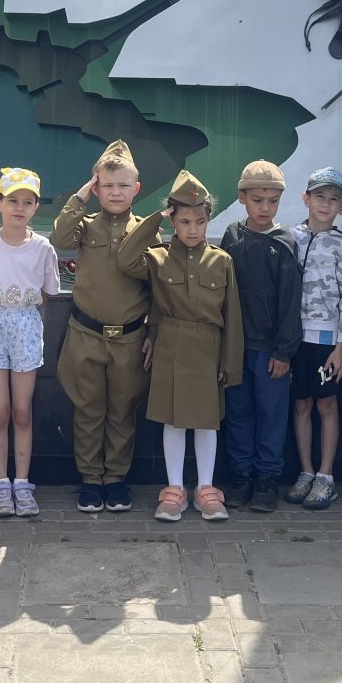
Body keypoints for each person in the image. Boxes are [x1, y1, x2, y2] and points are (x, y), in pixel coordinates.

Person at [117, 170, 244, 522]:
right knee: (172, 422)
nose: (192, 229)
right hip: (171, 346)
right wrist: (155, 219)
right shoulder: (158, 257)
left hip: (208, 347)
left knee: (206, 423)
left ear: (208, 220)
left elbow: (232, 316)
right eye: (184, 221)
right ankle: (174, 489)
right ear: (173, 220)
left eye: (200, 221)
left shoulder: (221, 260)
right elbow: (125, 259)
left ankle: (205, 488)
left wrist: (230, 363)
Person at [52, 140, 151, 514]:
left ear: (136, 189)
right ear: (96, 187)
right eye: (107, 185)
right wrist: (81, 196)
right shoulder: (86, 225)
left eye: (123, 185)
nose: (115, 192)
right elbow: (60, 237)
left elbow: (158, 287)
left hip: (129, 338)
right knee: (89, 411)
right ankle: (91, 479)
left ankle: (117, 479)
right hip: (87, 335)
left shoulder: (147, 231)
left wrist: (153, 332)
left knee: (123, 411)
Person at [0, 167, 60, 518]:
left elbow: (47, 292)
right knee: (0, 410)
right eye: (13, 201)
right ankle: (0, 484)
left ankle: (22, 483)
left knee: (22, 411)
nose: (19, 208)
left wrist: (22, 311)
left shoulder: (42, 247)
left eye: (27, 202)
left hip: (25, 325)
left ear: (36, 207)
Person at [220, 160, 303, 514]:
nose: (265, 208)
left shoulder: (284, 243)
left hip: (270, 350)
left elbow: (291, 302)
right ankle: (241, 477)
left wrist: (284, 352)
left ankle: (267, 479)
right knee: (238, 412)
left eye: (273, 201)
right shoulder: (232, 236)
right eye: (257, 200)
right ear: (242, 197)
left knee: (271, 415)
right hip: (236, 348)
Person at [287, 167, 342, 511]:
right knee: (301, 404)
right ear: (306, 199)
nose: (325, 204)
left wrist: (341, 347)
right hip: (294, 340)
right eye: (319, 197)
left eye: (333, 199)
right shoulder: (289, 238)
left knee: (327, 405)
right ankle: (306, 471)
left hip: (326, 342)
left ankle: (326, 476)